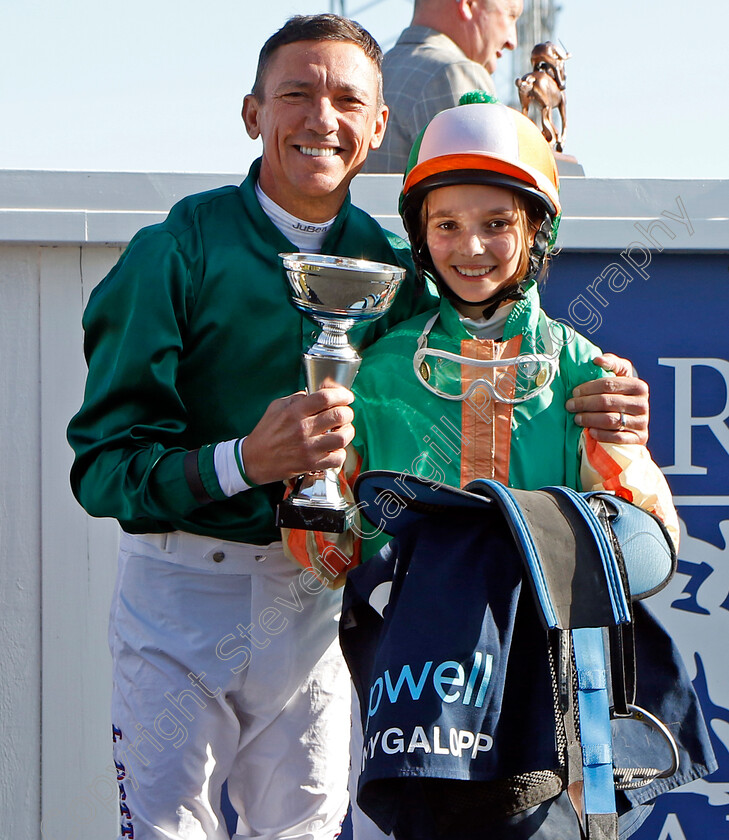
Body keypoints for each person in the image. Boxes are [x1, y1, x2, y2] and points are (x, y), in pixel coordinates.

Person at [67, 13, 652, 840]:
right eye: (295, 94)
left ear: (379, 127)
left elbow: (495, 339)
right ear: (252, 112)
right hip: (181, 589)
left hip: (322, 596)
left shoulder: (399, 273)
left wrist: (612, 399)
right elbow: (101, 470)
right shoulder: (174, 252)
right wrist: (245, 460)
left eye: (347, 99)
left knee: (308, 831)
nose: (321, 119)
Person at [284, 95, 688, 838]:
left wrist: (612, 484)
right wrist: (312, 486)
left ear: (537, 230)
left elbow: (650, 549)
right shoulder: (373, 374)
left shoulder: (587, 372)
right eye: (447, 225)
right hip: (418, 680)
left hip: (566, 682)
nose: (470, 247)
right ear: (419, 235)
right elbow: (328, 560)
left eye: (497, 224)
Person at [363, 0, 523, 174]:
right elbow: (482, 188)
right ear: (468, 4)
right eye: (511, 15)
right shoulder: (455, 73)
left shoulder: (375, 71)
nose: (512, 41)